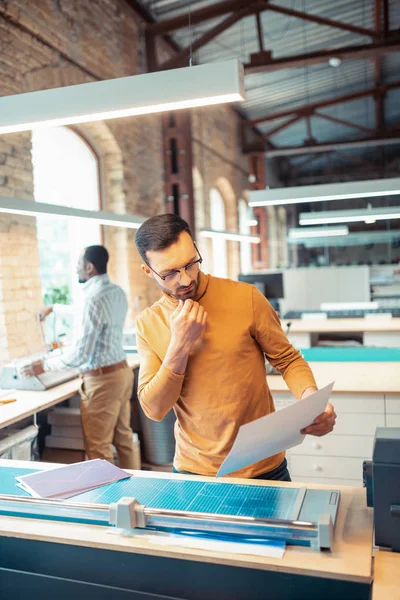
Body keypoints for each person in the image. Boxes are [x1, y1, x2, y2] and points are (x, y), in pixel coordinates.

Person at [134, 214, 336, 480]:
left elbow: (287, 359)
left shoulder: (246, 297)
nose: (185, 280)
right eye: (170, 273)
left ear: (195, 248)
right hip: (194, 472)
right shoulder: (148, 323)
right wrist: (179, 346)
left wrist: (311, 399)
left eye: (191, 264)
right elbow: (154, 409)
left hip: (264, 467)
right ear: (148, 271)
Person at [22, 245, 135, 469]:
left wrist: (44, 366)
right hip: (122, 373)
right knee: (124, 439)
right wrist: (54, 308)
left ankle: (106, 502)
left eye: (78, 265)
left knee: (98, 446)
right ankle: (139, 492)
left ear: (89, 267)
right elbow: (82, 312)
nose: (75, 270)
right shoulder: (116, 292)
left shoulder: (91, 299)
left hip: (102, 381)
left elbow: (81, 354)